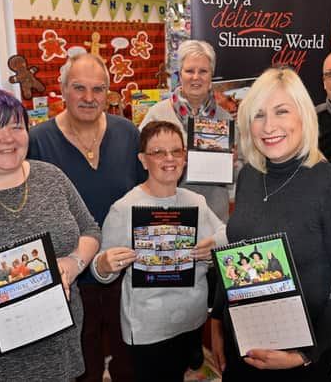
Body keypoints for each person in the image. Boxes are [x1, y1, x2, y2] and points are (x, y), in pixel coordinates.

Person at [211, 67, 331, 382]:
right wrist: (217, 321)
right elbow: (237, 257)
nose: (269, 126)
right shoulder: (250, 176)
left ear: (304, 117)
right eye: (259, 115)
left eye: (282, 111)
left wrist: (305, 354)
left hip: (295, 359)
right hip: (242, 344)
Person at [0, 87, 100, 380]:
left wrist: (73, 264)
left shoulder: (51, 177)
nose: (8, 138)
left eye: (16, 126)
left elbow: (90, 229)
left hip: (59, 351)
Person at [28, 53, 145, 381]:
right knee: (81, 362)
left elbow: (145, 192)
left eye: (98, 89)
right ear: (62, 89)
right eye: (79, 88)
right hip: (68, 277)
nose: (90, 98)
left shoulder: (127, 133)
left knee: (127, 357)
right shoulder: (37, 141)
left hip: (124, 271)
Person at [90, 121, 227, 382]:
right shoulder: (125, 208)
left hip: (191, 320)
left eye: (176, 151)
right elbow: (101, 270)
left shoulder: (195, 201)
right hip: (149, 329)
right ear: (143, 160)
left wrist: (213, 246)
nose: (169, 159)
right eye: (158, 152)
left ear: (185, 158)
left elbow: (224, 235)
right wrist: (105, 264)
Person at [139, 39, 235, 223]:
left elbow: (237, 174)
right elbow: (141, 163)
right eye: (189, 70)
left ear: (211, 75)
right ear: (180, 74)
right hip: (167, 213)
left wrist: (231, 163)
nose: (196, 77)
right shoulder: (158, 114)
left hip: (213, 215)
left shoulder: (226, 118)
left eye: (203, 71)